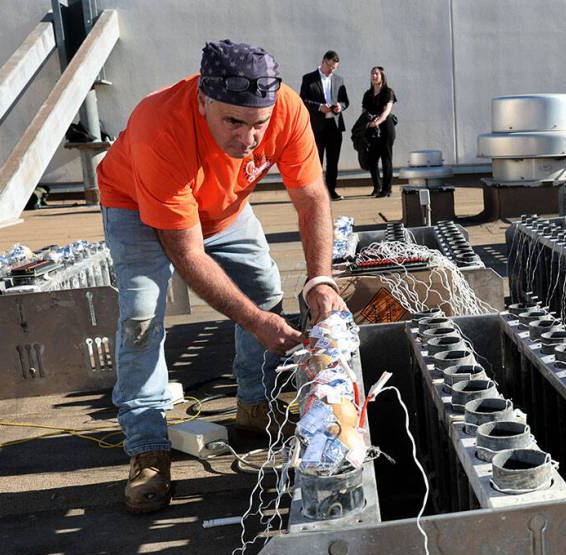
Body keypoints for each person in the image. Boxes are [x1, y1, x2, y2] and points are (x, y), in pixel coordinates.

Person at [97, 39, 347, 514]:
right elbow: (188, 254)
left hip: (222, 208)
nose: (249, 139)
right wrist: (255, 323)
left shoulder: (288, 110)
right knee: (142, 316)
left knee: (264, 291)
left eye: (259, 124)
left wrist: (321, 280)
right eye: (233, 122)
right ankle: (147, 446)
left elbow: (313, 198)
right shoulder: (160, 126)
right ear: (202, 101)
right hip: (135, 205)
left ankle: (255, 407)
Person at [300, 51, 349, 200]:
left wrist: (340, 106)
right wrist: (319, 107)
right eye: (330, 67)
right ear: (323, 61)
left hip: (334, 127)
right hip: (317, 127)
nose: (331, 70)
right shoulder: (309, 79)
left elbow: (345, 101)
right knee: (316, 161)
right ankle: (317, 192)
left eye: (334, 68)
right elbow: (303, 100)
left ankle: (331, 191)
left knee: (333, 162)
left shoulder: (339, 80)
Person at [361, 66, 397, 198]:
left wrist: (377, 122)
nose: (374, 76)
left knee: (386, 159)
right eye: (372, 74)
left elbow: (387, 111)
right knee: (372, 159)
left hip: (386, 128)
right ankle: (377, 187)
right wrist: (367, 124)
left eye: (376, 73)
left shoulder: (388, 92)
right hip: (371, 129)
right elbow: (364, 112)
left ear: (382, 76)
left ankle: (387, 189)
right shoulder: (368, 94)